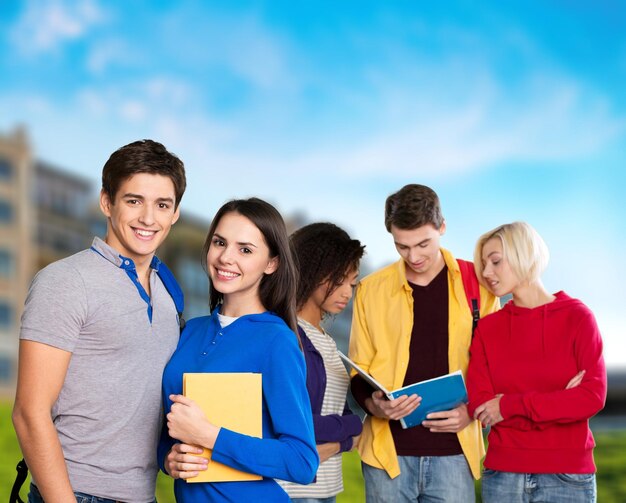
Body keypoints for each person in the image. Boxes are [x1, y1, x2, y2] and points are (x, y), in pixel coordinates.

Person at [12, 140, 187, 502]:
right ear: (107, 202)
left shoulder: (169, 292)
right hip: (76, 492)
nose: (148, 218)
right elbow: (29, 413)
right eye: (134, 201)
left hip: (143, 494)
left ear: (175, 214)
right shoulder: (65, 281)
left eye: (162, 205)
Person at [158, 198, 319, 502]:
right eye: (220, 242)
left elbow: (302, 462)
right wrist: (168, 459)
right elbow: (169, 428)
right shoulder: (190, 331)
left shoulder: (276, 341)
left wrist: (209, 436)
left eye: (245, 250)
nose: (225, 257)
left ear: (271, 263)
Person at [348, 183, 500, 502]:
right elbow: (357, 370)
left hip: (455, 454)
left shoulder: (480, 285)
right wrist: (375, 405)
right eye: (401, 246)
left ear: (442, 227)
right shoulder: (370, 290)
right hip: (385, 457)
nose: (413, 256)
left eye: (423, 244)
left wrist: (471, 410)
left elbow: (496, 366)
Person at [467, 221, 607, 503]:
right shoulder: (488, 328)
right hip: (503, 476)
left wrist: (508, 405)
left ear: (524, 255)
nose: (486, 273)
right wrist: (559, 402)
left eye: (495, 262)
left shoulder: (577, 318)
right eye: (483, 264)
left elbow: (591, 398)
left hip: (567, 477)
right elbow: (481, 406)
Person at [279, 222, 365, 502]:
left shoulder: (326, 340)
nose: (347, 293)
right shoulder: (287, 336)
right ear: (313, 269)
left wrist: (342, 436)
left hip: (327, 488)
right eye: (339, 280)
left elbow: (344, 415)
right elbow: (294, 421)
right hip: (295, 489)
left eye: (352, 283)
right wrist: (350, 432)